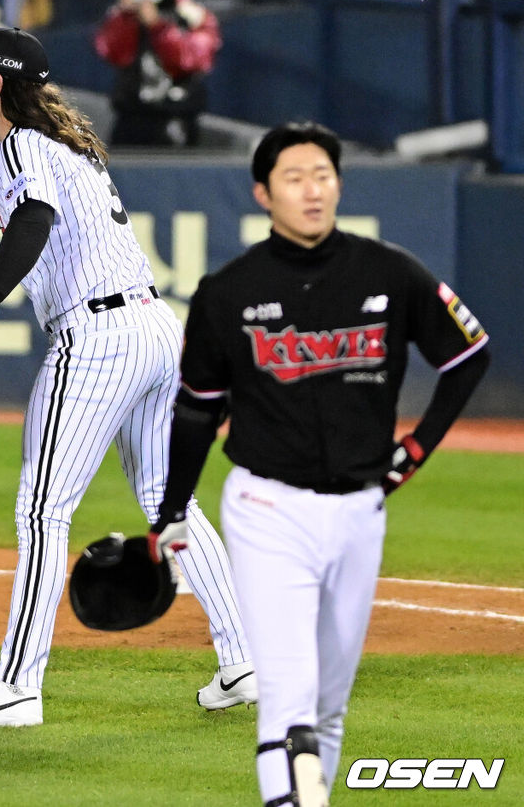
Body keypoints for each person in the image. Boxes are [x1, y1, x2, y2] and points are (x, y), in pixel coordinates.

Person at [0, 26, 256, 727]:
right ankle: (241, 660)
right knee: (169, 502)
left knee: (42, 510)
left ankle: (17, 687)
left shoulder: (24, 145)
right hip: (155, 331)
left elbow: (31, 220)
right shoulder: (54, 144)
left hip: (98, 337)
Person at [148, 121, 490, 805]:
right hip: (266, 510)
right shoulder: (230, 291)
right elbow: (196, 410)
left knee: (329, 707)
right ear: (262, 194)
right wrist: (173, 509)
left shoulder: (389, 273)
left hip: (361, 511)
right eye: (294, 178)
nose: (312, 190)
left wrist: (413, 451)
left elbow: (467, 355)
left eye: (323, 175)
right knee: (289, 701)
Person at [94, 0, 221, 147]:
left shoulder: (197, 16)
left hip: (175, 119)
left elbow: (190, 61)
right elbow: (109, 51)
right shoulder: (134, 10)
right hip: (132, 118)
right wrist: (125, 16)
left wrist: (157, 27)